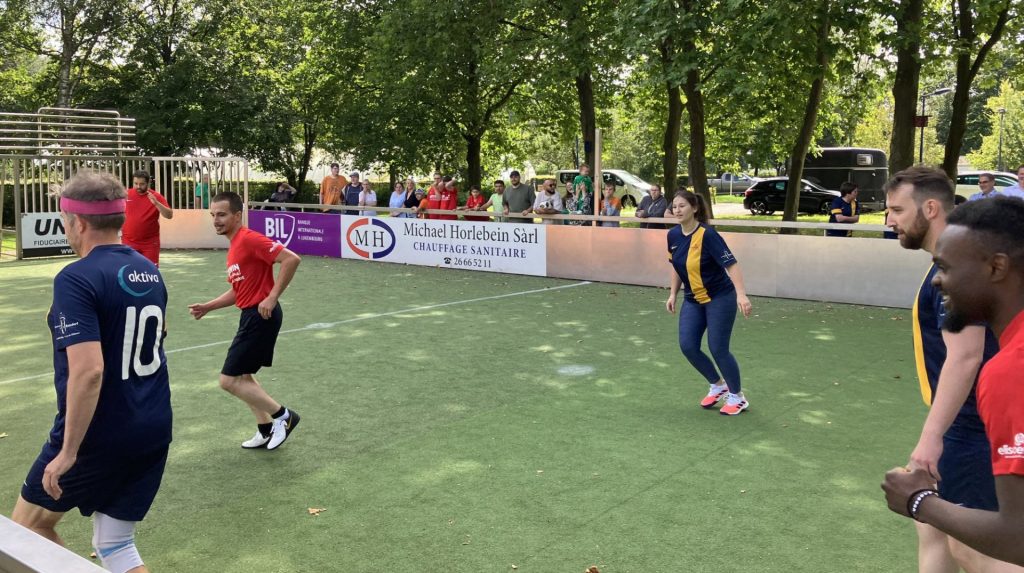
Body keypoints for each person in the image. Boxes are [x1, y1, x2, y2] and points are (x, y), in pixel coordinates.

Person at [11, 171, 172, 573]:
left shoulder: (76, 278)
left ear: (77, 222)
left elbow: (90, 373)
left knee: (24, 532)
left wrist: (68, 452)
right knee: (114, 544)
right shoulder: (148, 270)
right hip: (152, 425)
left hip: (99, 435)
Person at [880, 166, 1012, 573]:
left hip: (970, 426)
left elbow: (966, 355)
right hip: (967, 421)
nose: (889, 220)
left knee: (973, 549)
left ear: (931, 208)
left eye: (897, 210)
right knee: (930, 523)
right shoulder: (956, 260)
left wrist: (932, 437)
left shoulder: (957, 270)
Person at [188, 191, 302, 451]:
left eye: (222, 214)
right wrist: (209, 306)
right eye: (213, 215)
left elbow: (291, 259)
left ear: (237, 215)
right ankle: (264, 429)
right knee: (243, 377)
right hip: (250, 314)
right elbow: (238, 291)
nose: (216, 220)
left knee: (228, 380)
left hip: (261, 316)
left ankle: (283, 416)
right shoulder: (235, 246)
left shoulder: (249, 239)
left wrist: (272, 297)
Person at [665, 190, 752, 415]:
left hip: (719, 298)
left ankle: (738, 397)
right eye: (674, 206)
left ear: (694, 208)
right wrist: (673, 294)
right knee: (688, 346)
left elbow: (731, 264)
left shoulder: (708, 235)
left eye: (682, 206)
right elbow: (676, 266)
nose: (677, 210)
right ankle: (717, 385)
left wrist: (741, 295)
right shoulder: (673, 235)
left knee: (718, 348)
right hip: (693, 299)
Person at [123, 170, 173, 267]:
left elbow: (169, 215)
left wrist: (156, 204)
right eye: (135, 183)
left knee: (150, 273)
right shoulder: (125, 194)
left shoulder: (156, 197)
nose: (138, 186)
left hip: (150, 244)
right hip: (128, 241)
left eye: (142, 184)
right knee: (128, 272)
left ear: (148, 183)